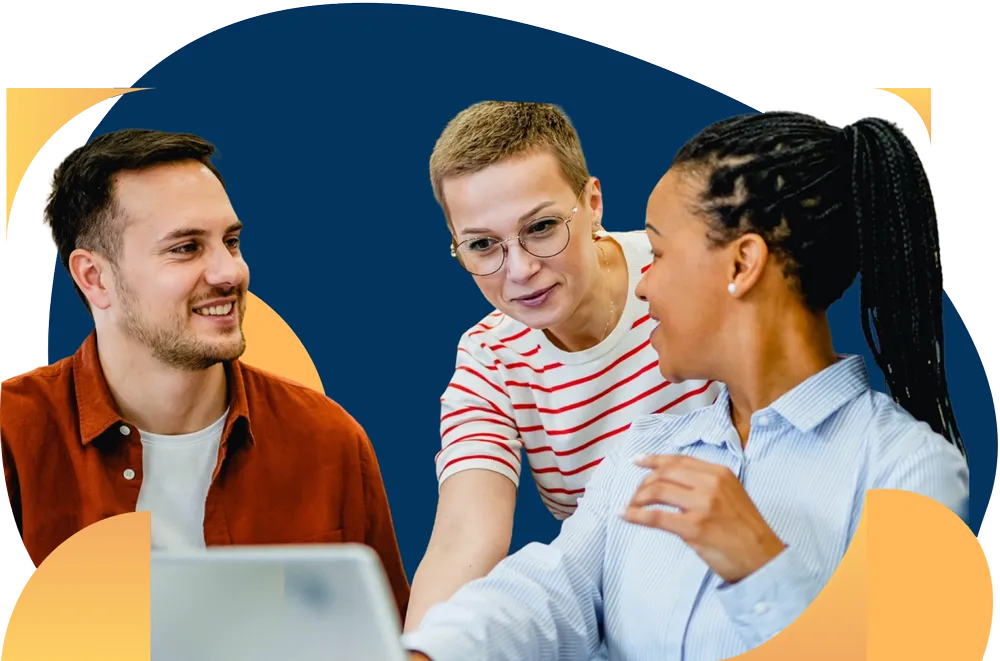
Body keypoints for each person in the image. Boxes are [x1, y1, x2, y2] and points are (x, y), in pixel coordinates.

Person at [400, 110, 970, 661]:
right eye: (482, 244)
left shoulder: (908, 468)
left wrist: (759, 565)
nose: (644, 286)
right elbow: (539, 588)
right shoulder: (641, 449)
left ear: (742, 265)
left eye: (661, 253)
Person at [0, 128, 410, 622]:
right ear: (94, 277)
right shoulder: (12, 437)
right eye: (185, 248)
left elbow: (385, 641)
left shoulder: (327, 440)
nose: (230, 273)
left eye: (231, 242)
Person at [404, 101, 722, 632]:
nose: (522, 270)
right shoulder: (491, 358)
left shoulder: (686, 275)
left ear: (592, 202)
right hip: (629, 624)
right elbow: (465, 535)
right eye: (483, 245)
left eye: (543, 227)